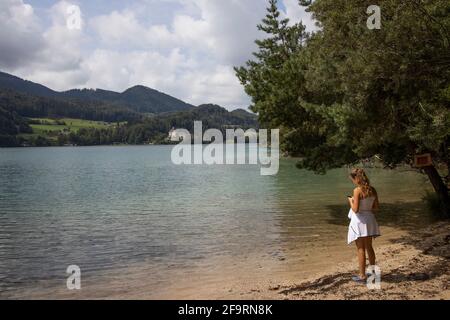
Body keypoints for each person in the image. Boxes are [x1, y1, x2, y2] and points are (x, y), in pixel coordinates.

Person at [347, 168, 381, 283]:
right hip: (370, 219)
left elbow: (355, 210)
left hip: (360, 221)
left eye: (352, 179)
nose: (353, 182)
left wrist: (350, 201)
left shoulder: (357, 190)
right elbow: (376, 207)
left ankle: (362, 276)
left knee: (360, 249)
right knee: (369, 248)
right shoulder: (373, 190)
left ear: (356, 179)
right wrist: (367, 207)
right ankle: (373, 275)